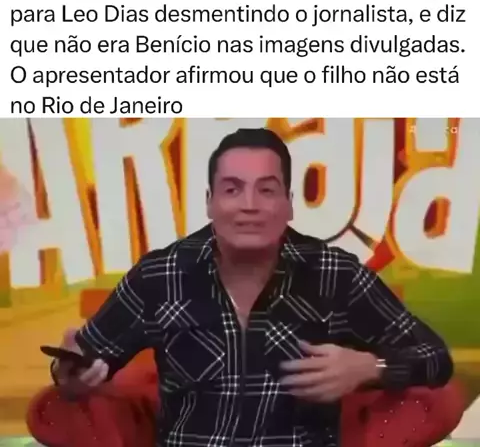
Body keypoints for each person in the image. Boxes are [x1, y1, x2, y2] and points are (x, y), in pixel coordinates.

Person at [52, 128, 453, 447]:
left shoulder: (335, 273)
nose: (250, 204)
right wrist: (68, 372)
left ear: (288, 203)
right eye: (232, 189)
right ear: (209, 202)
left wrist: (367, 367)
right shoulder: (160, 275)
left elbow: (435, 358)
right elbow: (81, 363)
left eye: (266, 189)